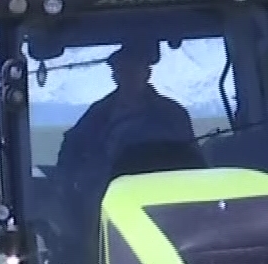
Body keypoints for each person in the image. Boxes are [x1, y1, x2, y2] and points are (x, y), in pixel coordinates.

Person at [54, 40, 198, 203]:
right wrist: (65, 184)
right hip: (105, 197)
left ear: (147, 73)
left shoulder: (172, 114)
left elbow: (192, 162)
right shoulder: (99, 113)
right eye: (121, 71)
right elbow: (73, 144)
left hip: (161, 196)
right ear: (115, 76)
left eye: (132, 71)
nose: (126, 77)